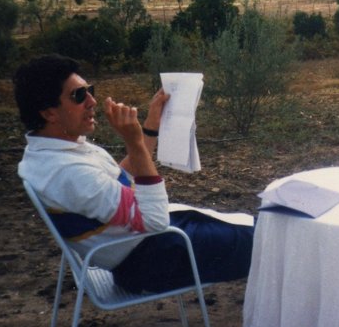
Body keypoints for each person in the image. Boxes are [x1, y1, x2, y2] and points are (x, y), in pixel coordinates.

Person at [14, 54, 254, 294]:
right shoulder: (66, 172)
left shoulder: (49, 155)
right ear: (49, 113)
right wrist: (134, 141)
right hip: (153, 259)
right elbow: (154, 220)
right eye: (78, 96)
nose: (92, 101)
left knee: (265, 228)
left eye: (90, 91)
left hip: (143, 248)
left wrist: (149, 127)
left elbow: (117, 182)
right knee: (270, 239)